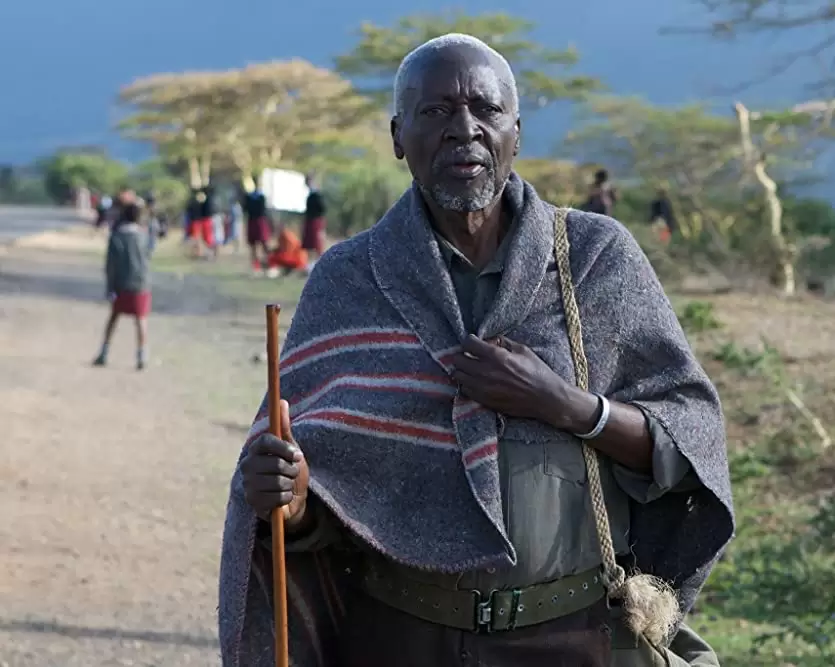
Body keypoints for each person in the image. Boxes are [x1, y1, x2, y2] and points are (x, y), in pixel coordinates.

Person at [219, 34, 733, 667]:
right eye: (435, 112)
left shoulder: (596, 258)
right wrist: (293, 502)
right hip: (398, 639)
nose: (464, 129)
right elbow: (321, 490)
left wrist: (565, 405)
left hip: (573, 640)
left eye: (485, 110)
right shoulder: (350, 279)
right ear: (397, 136)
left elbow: (689, 443)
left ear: (515, 131)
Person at [92, 202, 152, 371]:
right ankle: (142, 355)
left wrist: (110, 287)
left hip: (121, 284)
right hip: (141, 283)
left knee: (114, 317)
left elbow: (110, 265)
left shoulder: (117, 237)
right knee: (141, 320)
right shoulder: (143, 236)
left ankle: (104, 352)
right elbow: (148, 257)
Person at [244, 179, 272, 273]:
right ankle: (255, 265)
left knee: (264, 243)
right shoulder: (249, 196)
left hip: (260, 221)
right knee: (253, 245)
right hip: (252, 220)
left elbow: (263, 209)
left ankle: (268, 263)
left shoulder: (261, 197)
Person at [301, 175, 327, 262]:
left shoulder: (316, 195)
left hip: (316, 221)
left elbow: (322, 209)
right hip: (310, 220)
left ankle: (320, 262)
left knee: (317, 244)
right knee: (309, 244)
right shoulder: (310, 195)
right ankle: (310, 263)